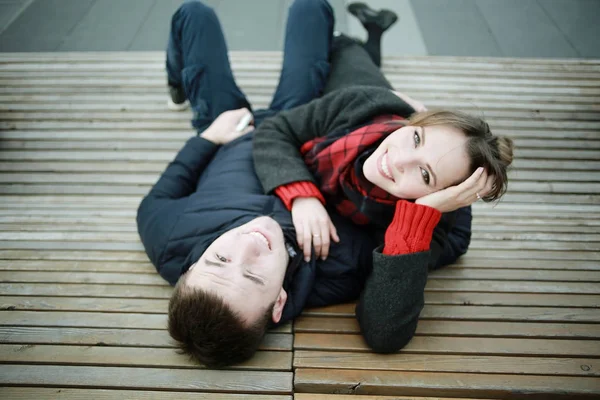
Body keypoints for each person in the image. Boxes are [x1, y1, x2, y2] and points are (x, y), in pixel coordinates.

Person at [136, 0, 472, 368]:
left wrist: (206, 141)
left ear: (190, 267)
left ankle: (176, 83)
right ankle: (355, 44)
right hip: (295, 123)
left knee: (194, 13)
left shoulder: (169, 241)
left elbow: (157, 199)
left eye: (219, 258)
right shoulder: (335, 267)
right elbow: (446, 243)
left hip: (231, 129)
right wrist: (452, 186)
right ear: (278, 301)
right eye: (253, 274)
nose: (249, 244)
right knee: (311, 12)